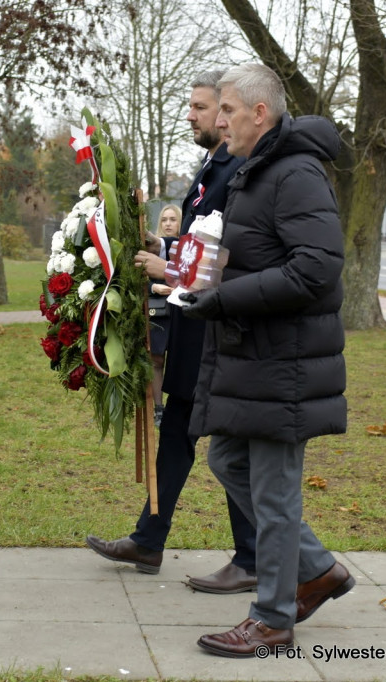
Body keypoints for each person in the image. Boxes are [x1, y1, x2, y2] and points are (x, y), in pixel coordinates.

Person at [180, 63, 354, 657]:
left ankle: (273, 617)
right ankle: (319, 569)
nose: (218, 120)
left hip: (287, 363)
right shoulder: (261, 169)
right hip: (254, 356)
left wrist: (224, 296)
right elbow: (259, 253)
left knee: (275, 493)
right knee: (228, 461)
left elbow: (315, 269)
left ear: (260, 112)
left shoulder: (296, 172)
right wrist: (204, 273)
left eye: (226, 109)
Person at [86, 71, 258, 592]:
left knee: (229, 441)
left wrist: (173, 270)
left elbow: (233, 254)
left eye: (202, 107)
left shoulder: (240, 167)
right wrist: (159, 248)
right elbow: (198, 239)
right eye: (196, 106)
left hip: (215, 331)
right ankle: (150, 538)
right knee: (178, 432)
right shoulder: (214, 164)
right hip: (193, 327)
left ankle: (251, 557)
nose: (194, 115)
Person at [147, 203, 180, 427]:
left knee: (178, 362)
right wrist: (153, 288)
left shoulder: (187, 248)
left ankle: (178, 407)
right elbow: (140, 277)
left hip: (181, 313)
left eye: (173, 219)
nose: (168, 223)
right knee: (157, 360)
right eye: (164, 219)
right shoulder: (153, 247)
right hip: (158, 311)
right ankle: (158, 408)